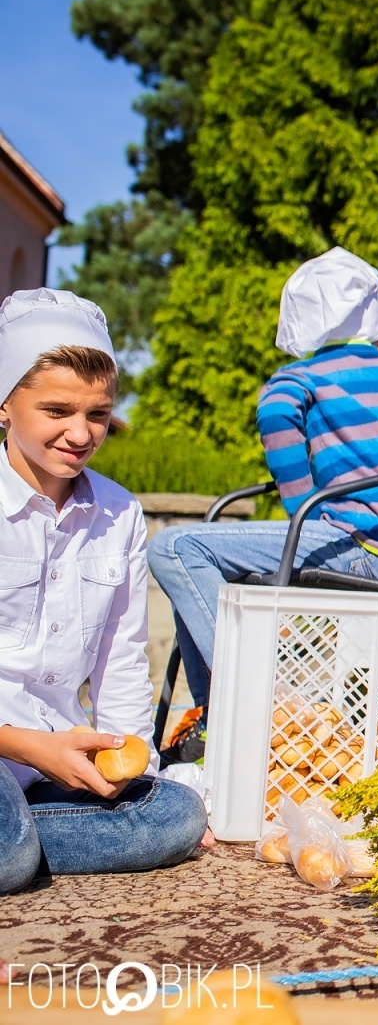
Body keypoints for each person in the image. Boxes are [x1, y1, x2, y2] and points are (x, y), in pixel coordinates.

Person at [150, 248, 378, 728]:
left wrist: (303, 514)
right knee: (206, 574)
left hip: (353, 540)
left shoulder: (298, 376)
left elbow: (275, 416)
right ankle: (217, 718)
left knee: (176, 547)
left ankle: (245, 706)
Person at [0, 289, 208, 893]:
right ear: (5, 405)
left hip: (62, 763)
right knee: (8, 854)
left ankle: (23, 835)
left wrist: (127, 760)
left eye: (97, 415)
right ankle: (19, 841)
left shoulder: (119, 513)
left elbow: (121, 654)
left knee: (175, 816)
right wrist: (29, 747)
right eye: (57, 409)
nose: (80, 432)